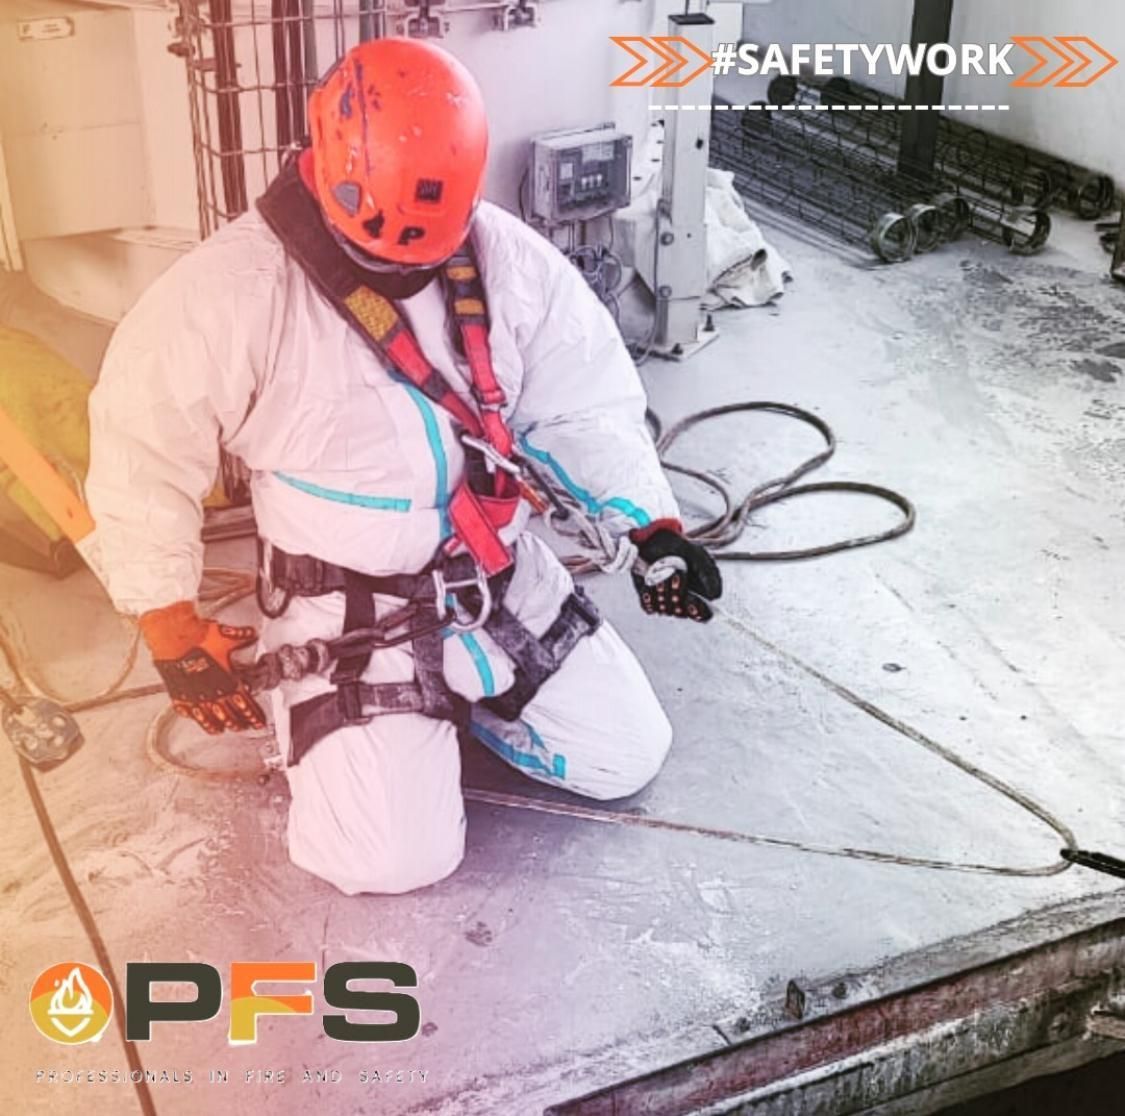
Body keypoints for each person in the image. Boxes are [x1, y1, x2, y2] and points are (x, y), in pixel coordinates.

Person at [86, 37, 721, 896]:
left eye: (429, 248)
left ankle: (457, 705)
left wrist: (650, 528)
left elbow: (582, 399)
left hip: (496, 582)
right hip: (347, 611)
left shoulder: (502, 256)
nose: (409, 269)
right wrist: (170, 628)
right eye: (388, 252)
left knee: (623, 758)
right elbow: (140, 459)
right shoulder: (228, 294)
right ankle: (338, 720)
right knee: (389, 863)